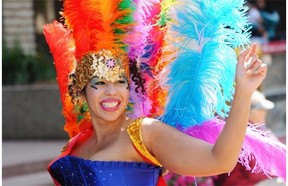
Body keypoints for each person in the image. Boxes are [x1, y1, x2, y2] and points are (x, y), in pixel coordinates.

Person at [43, 0, 285, 185]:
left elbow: (219, 160)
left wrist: (243, 90)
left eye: (120, 82)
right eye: (99, 83)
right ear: (81, 92)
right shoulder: (76, 142)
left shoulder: (144, 132)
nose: (112, 92)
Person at [212, 90, 280, 186]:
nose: (264, 113)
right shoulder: (240, 132)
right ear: (249, 111)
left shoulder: (260, 128)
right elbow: (255, 170)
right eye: (261, 109)